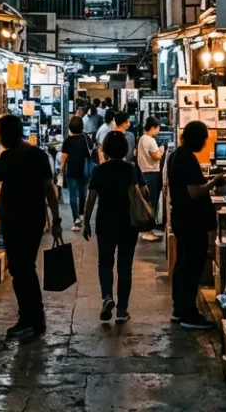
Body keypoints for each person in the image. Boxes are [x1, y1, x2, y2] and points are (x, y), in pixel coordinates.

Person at [0, 114, 63, 339]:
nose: (0, 138)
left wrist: (57, 220)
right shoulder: (35, 155)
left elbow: (49, 189)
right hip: (24, 219)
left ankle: (31, 318)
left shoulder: (22, 156)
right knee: (20, 269)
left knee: (23, 268)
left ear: (10, 133)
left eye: (1, 133)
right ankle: (32, 317)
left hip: (25, 220)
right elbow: (47, 189)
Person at [168, 120, 226, 329]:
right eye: (203, 139)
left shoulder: (177, 155)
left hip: (182, 218)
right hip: (190, 220)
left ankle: (180, 309)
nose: (204, 143)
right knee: (191, 266)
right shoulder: (186, 158)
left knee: (183, 264)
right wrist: (214, 182)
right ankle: (188, 313)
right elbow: (194, 191)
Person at [81, 131, 140, 324]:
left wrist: (86, 221)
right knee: (125, 267)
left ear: (105, 149)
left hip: (105, 222)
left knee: (105, 263)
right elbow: (142, 192)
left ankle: (107, 296)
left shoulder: (99, 170)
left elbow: (91, 198)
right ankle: (122, 310)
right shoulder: (131, 169)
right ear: (125, 149)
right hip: (128, 224)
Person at [60, 116, 96, 232]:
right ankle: (81, 214)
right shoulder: (86, 138)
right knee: (83, 193)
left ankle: (76, 219)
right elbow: (91, 151)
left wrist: (61, 170)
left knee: (72, 195)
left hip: (71, 171)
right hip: (84, 170)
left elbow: (64, 158)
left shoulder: (68, 141)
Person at [136, 117, 165, 242]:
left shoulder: (141, 138)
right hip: (152, 173)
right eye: (158, 128)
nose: (158, 131)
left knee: (146, 201)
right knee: (151, 202)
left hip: (143, 172)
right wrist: (161, 151)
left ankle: (145, 229)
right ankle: (148, 231)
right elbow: (156, 156)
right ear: (153, 127)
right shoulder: (150, 140)